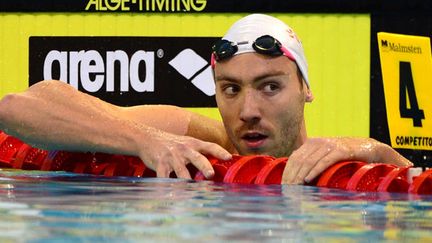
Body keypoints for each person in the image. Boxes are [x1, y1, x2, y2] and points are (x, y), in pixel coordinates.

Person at [0, 14, 412, 184]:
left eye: (270, 86)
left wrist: (370, 147)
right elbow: (19, 105)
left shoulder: (340, 163)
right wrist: (144, 140)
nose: (248, 112)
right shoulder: (197, 139)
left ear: (305, 88)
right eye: (230, 89)